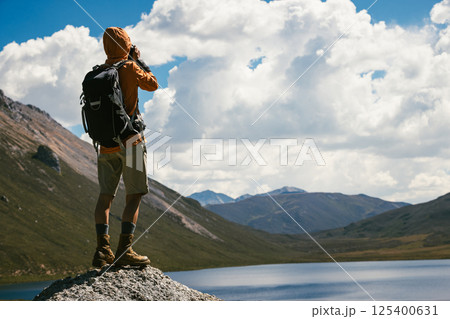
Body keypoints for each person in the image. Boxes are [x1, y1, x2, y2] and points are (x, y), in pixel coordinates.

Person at [92, 27, 158, 268]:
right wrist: (137, 58)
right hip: (131, 140)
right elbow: (153, 84)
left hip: (106, 144)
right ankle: (125, 250)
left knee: (105, 197)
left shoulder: (99, 73)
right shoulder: (130, 67)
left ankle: (102, 250)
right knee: (134, 195)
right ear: (127, 45)